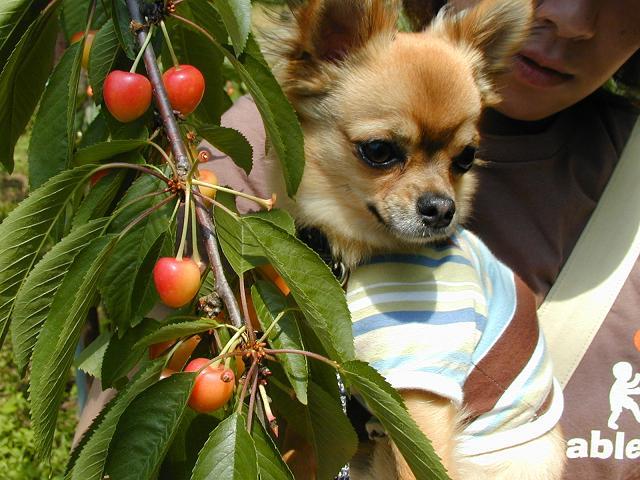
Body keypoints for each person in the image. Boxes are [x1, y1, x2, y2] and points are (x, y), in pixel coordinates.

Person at [197, 1, 640, 478]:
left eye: (460, 160)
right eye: (381, 152)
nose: (437, 196)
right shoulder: (224, 172)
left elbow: (422, 430)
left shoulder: (417, 280)